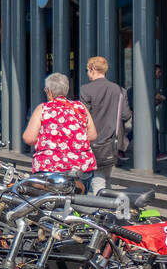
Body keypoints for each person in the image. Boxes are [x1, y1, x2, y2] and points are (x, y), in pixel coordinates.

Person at [22, 72, 98, 178]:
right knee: (80, 194)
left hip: (50, 166)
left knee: (49, 194)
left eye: (46, 90)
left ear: (50, 92)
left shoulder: (43, 109)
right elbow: (93, 135)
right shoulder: (80, 107)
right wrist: (74, 142)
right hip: (82, 167)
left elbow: (29, 138)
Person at [80, 56, 133, 194]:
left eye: (87, 70)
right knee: (106, 178)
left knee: (97, 180)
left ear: (92, 70)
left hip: (93, 142)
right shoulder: (120, 90)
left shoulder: (85, 90)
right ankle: (108, 209)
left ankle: (100, 211)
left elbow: (83, 118)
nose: (87, 73)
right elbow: (126, 115)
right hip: (113, 143)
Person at [154, 65, 167, 162]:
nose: (160, 74)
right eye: (159, 71)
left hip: (150, 112)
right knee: (154, 131)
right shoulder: (151, 82)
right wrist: (159, 99)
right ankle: (156, 154)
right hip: (145, 114)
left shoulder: (155, 82)